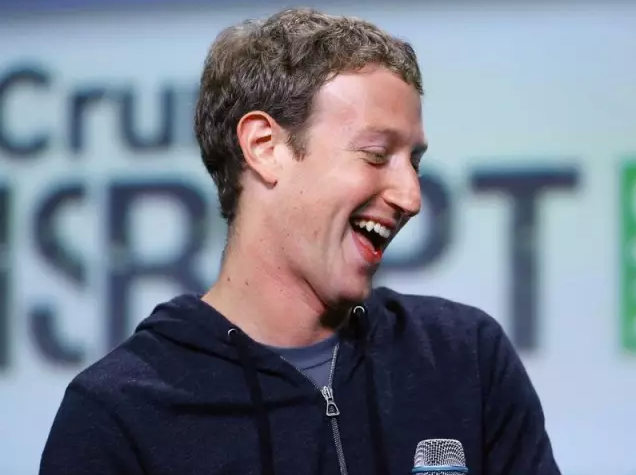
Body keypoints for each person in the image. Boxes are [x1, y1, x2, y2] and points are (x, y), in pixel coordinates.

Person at [39, 7, 561, 475]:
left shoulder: (465, 360)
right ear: (266, 147)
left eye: (415, 162)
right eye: (377, 155)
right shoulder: (119, 415)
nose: (411, 197)